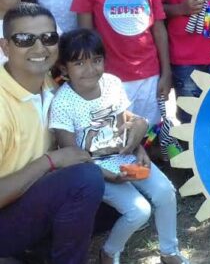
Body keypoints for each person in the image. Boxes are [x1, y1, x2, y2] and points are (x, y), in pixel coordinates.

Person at [49, 29, 187, 264]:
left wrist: (140, 150)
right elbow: (71, 156)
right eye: (79, 63)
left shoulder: (112, 83)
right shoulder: (62, 102)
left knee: (165, 191)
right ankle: (109, 251)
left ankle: (169, 251)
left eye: (96, 60)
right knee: (138, 211)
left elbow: (124, 126)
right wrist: (107, 176)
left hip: (124, 160)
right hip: (92, 171)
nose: (90, 69)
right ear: (64, 69)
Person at [0, 3, 104, 263]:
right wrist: (51, 161)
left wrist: (134, 133)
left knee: (118, 196)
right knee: (86, 180)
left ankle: (35, 251)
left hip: (32, 197)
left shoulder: (52, 84)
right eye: (25, 39)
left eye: (48, 38)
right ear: (5, 47)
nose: (39, 48)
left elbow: (99, 114)